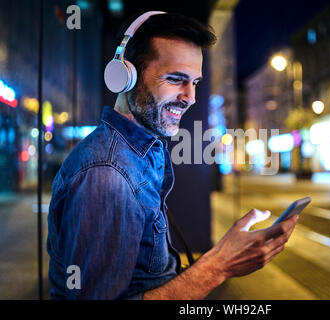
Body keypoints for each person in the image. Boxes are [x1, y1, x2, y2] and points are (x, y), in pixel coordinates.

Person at [46, 12, 298, 300]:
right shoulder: (107, 175)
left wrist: (221, 254)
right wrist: (218, 267)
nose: (190, 97)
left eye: (195, 83)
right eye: (176, 79)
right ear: (124, 76)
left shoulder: (142, 152)